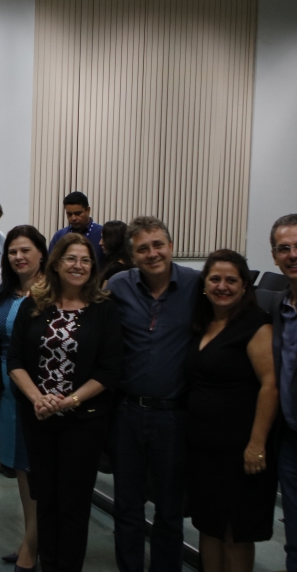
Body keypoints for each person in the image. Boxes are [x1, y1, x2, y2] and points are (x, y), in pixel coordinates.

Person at [7, 233, 122, 572]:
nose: (78, 265)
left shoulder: (104, 309)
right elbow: (15, 360)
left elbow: (110, 370)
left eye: (86, 260)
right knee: (45, 500)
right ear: (56, 263)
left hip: (84, 421)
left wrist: (68, 401)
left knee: (73, 505)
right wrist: (38, 398)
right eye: (71, 258)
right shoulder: (34, 305)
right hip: (39, 418)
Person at [107, 216, 200, 572]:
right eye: (142, 249)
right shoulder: (118, 286)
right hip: (127, 412)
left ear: (171, 246)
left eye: (158, 244)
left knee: (170, 510)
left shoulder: (196, 285)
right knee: (127, 505)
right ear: (132, 256)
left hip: (174, 416)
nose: (152, 253)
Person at [186, 250, 278, 572]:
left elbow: (270, 385)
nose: (222, 286)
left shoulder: (256, 324)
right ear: (204, 285)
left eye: (231, 280)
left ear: (244, 287)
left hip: (241, 451)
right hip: (204, 450)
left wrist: (256, 445)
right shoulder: (203, 322)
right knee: (208, 526)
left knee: (235, 533)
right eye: (215, 279)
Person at [0, 225, 48, 570]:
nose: (19, 257)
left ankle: (33, 545)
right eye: (13, 251)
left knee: (40, 469)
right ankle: (32, 538)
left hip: (40, 391)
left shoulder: (54, 292)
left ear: (42, 253)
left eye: (26, 250)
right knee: (23, 469)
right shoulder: (5, 293)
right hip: (9, 396)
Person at [256, 213, 297, 571]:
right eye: (284, 248)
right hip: (290, 438)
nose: (292, 255)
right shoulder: (280, 308)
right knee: (295, 537)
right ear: (274, 256)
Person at [48, 192, 104, 268]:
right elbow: (50, 263)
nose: (73, 218)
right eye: (69, 214)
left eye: (78, 213)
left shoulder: (102, 234)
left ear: (88, 210)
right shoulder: (59, 236)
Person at [98, 220, 133, 285]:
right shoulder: (131, 265)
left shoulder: (114, 270)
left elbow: (104, 291)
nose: (100, 243)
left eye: (103, 238)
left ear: (114, 240)